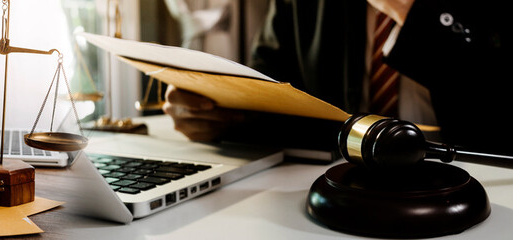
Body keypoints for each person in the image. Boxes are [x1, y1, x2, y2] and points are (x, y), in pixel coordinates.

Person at [163, 0, 511, 152]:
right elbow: (271, 89)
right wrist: (223, 115)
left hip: (478, 180)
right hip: (335, 186)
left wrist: (408, 10)